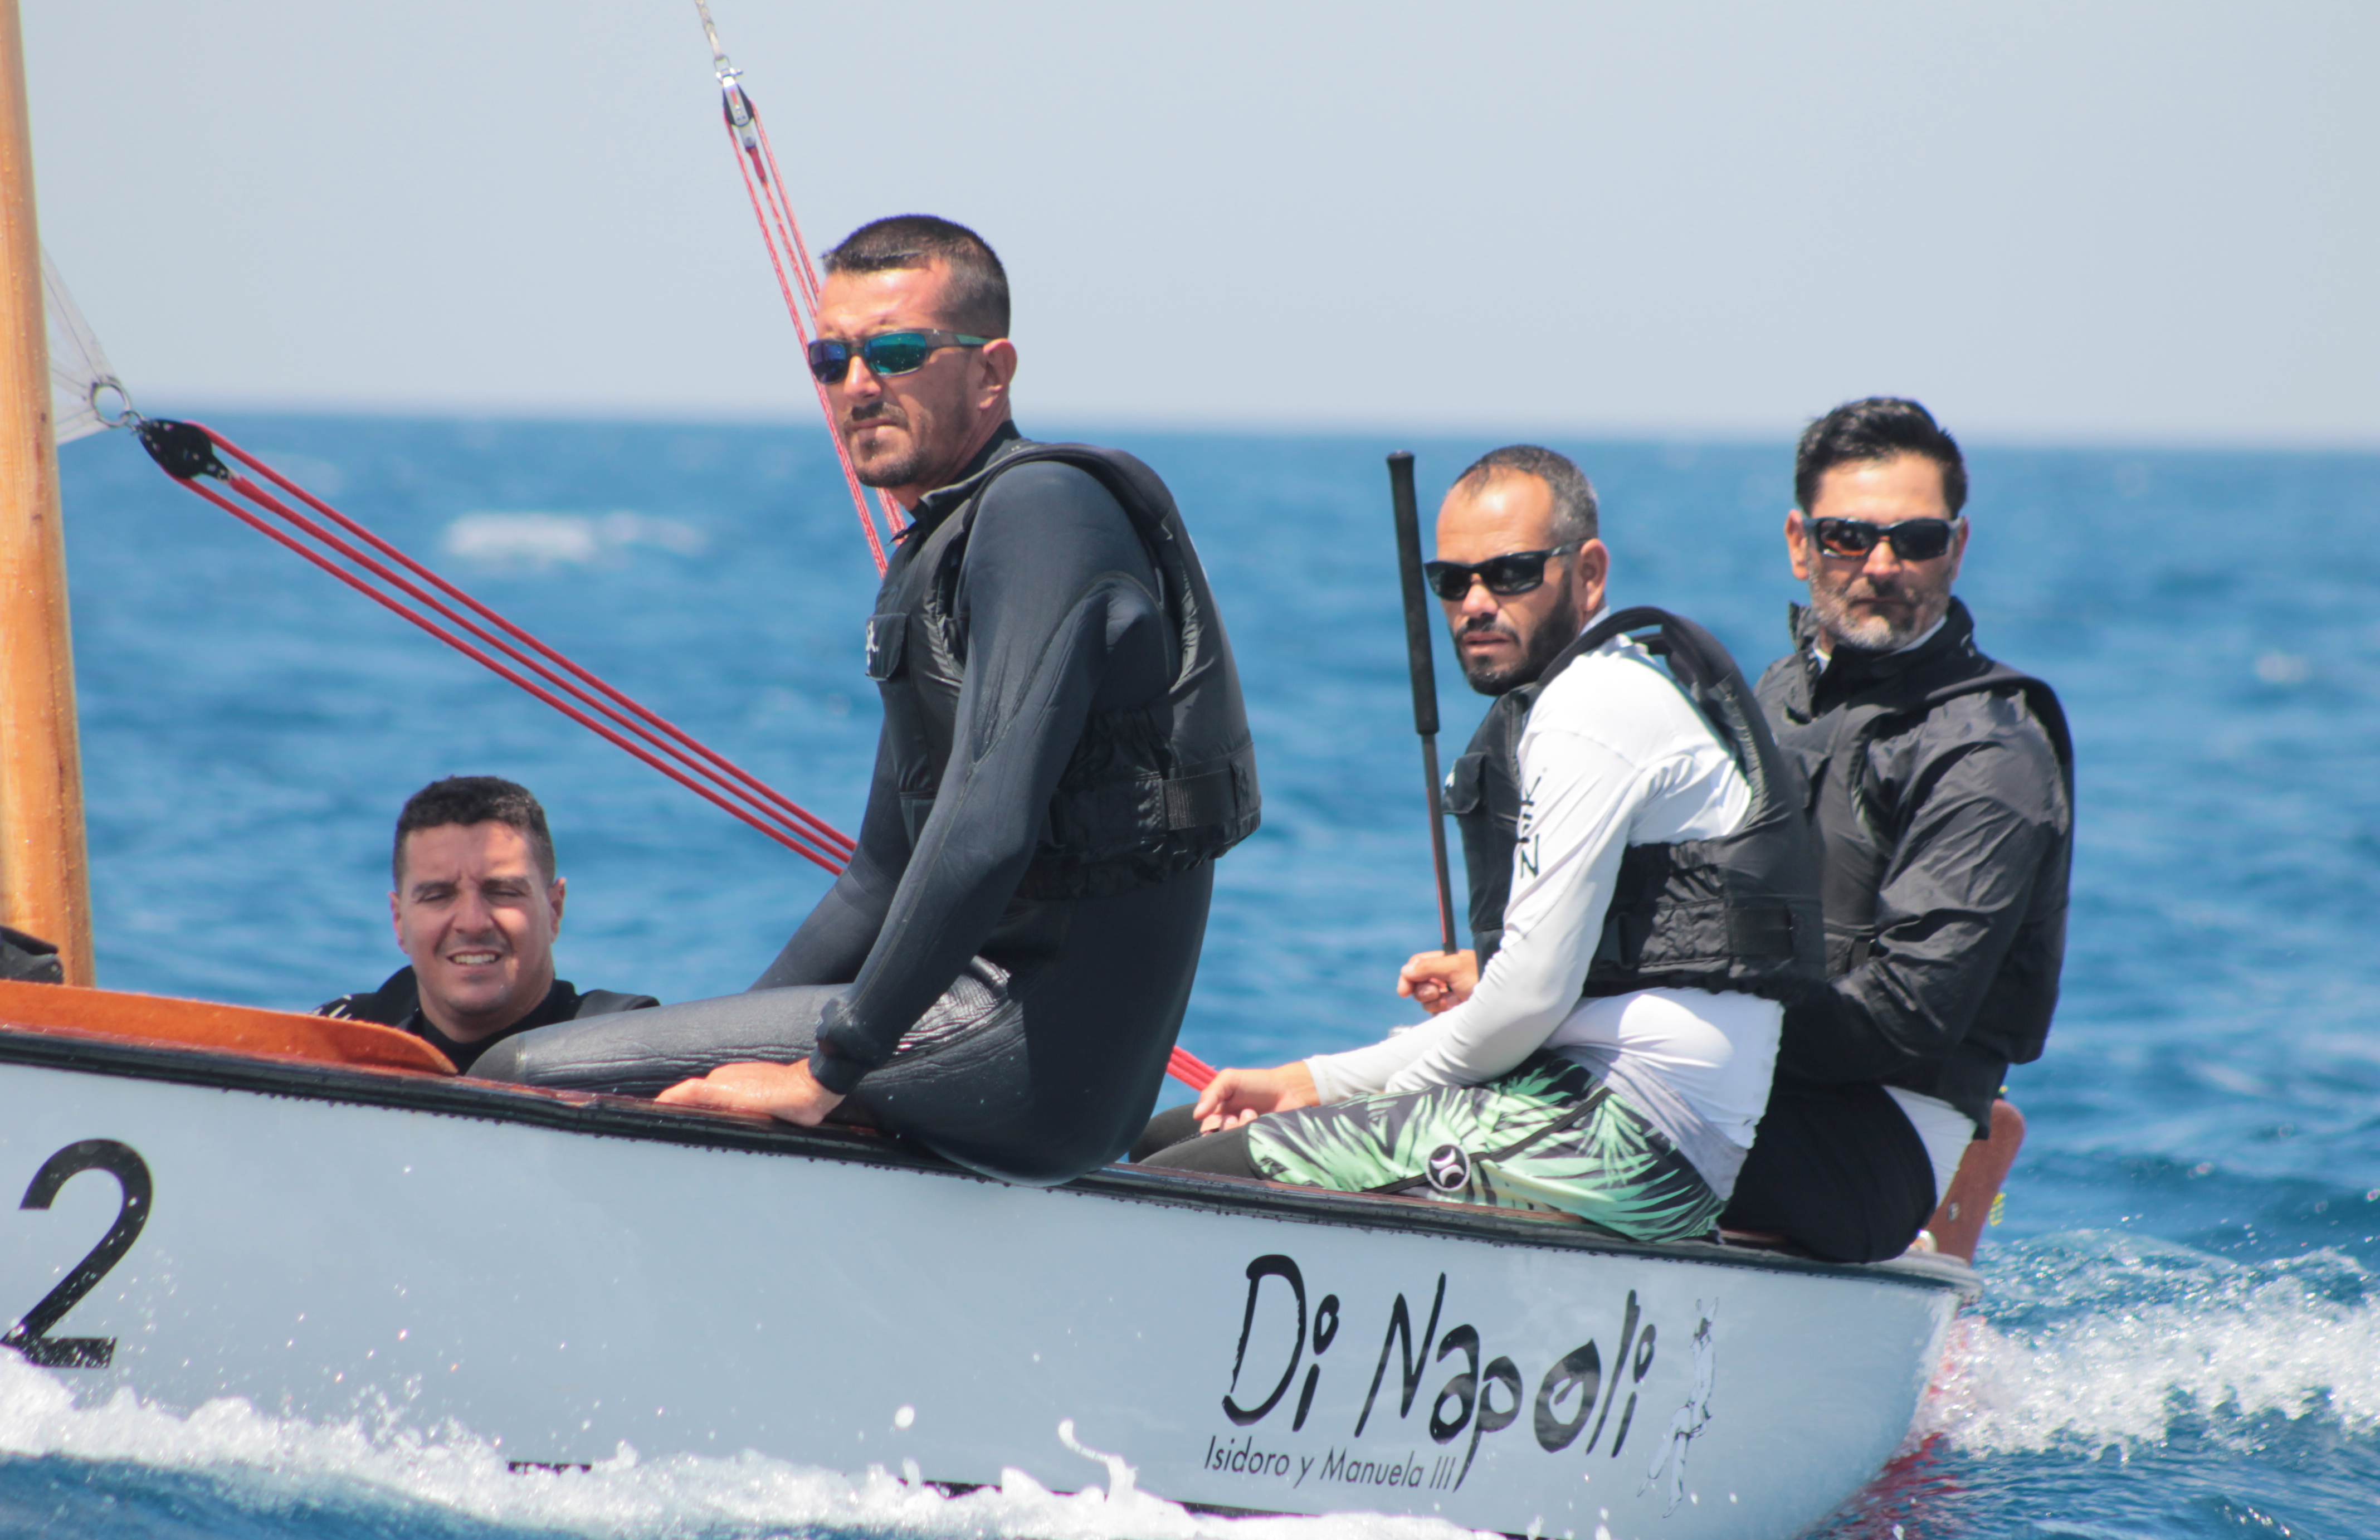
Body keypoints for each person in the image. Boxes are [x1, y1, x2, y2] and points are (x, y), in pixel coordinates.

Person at [475, 216, 1260, 1186]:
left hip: (1033, 1065)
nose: (856, 385)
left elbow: (986, 828)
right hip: (977, 1035)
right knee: (615, 1072)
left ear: (992, 371)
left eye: (894, 353)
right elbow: (877, 878)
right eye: (830, 358)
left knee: (511, 1073)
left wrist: (824, 1073)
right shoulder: (944, 545)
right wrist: (723, 1062)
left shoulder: (1044, 513)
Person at [1137, 447, 1821, 1242]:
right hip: (1576, 1098)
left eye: (1513, 573)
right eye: (1453, 582)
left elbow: (1525, 1001)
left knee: (1191, 1176)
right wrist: (1309, 1082)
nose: (1476, 604)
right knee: (1168, 1139)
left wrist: (1361, 1100)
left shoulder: (1595, 704)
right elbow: (1523, 1006)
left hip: (1639, 1144)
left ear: (1589, 572)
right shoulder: (1592, 690)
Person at [1718, 398, 2072, 1263]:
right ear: (1801, 543)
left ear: (1955, 548)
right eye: (1848, 537)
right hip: (1743, 1078)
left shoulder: (1991, 751)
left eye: (1914, 540)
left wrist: (1668, 1009)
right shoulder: (1774, 697)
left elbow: (1905, 1014)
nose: (1882, 566)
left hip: (1878, 1132)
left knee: (1573, 1139)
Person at [317, 776, 656, 1074]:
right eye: (438, 896)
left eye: (503, 892)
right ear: (399, 920)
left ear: (554, 909)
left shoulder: (635, 1050)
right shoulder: (334, 1039)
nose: (472, 923)